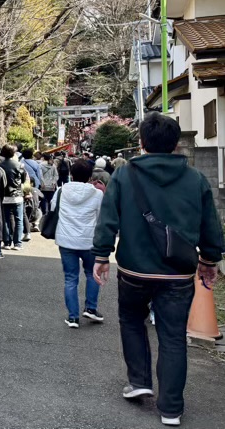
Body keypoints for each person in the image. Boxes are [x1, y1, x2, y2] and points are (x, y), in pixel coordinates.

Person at [93, 113, 224, 427]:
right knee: (173, 337)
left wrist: (101, 256)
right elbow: (210, 226)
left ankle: (139, 380)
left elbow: (108, 217)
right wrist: (208, 261)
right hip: (178, 273)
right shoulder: (195, 179)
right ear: (176, 144)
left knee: (131, 321)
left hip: (134, 269)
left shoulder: (125, 176)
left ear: (141, 142)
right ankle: (171, 408)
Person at [51, 159, 104, 329]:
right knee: (92, 274)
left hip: (66, 240)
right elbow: (101, 216)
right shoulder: (97, 194)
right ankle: (91, 308)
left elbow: (53, 210)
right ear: (90, 176)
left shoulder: (61, 191)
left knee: (70, 278)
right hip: (89, 240)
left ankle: (73, 317)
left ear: (71, 175)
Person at [0, 144, 27, 250]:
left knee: (6, 219)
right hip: (17, 195)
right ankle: (17, 243)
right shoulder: (20, 165)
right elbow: (24, 180)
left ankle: (6, 242)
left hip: (4, 196)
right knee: (18, 219)